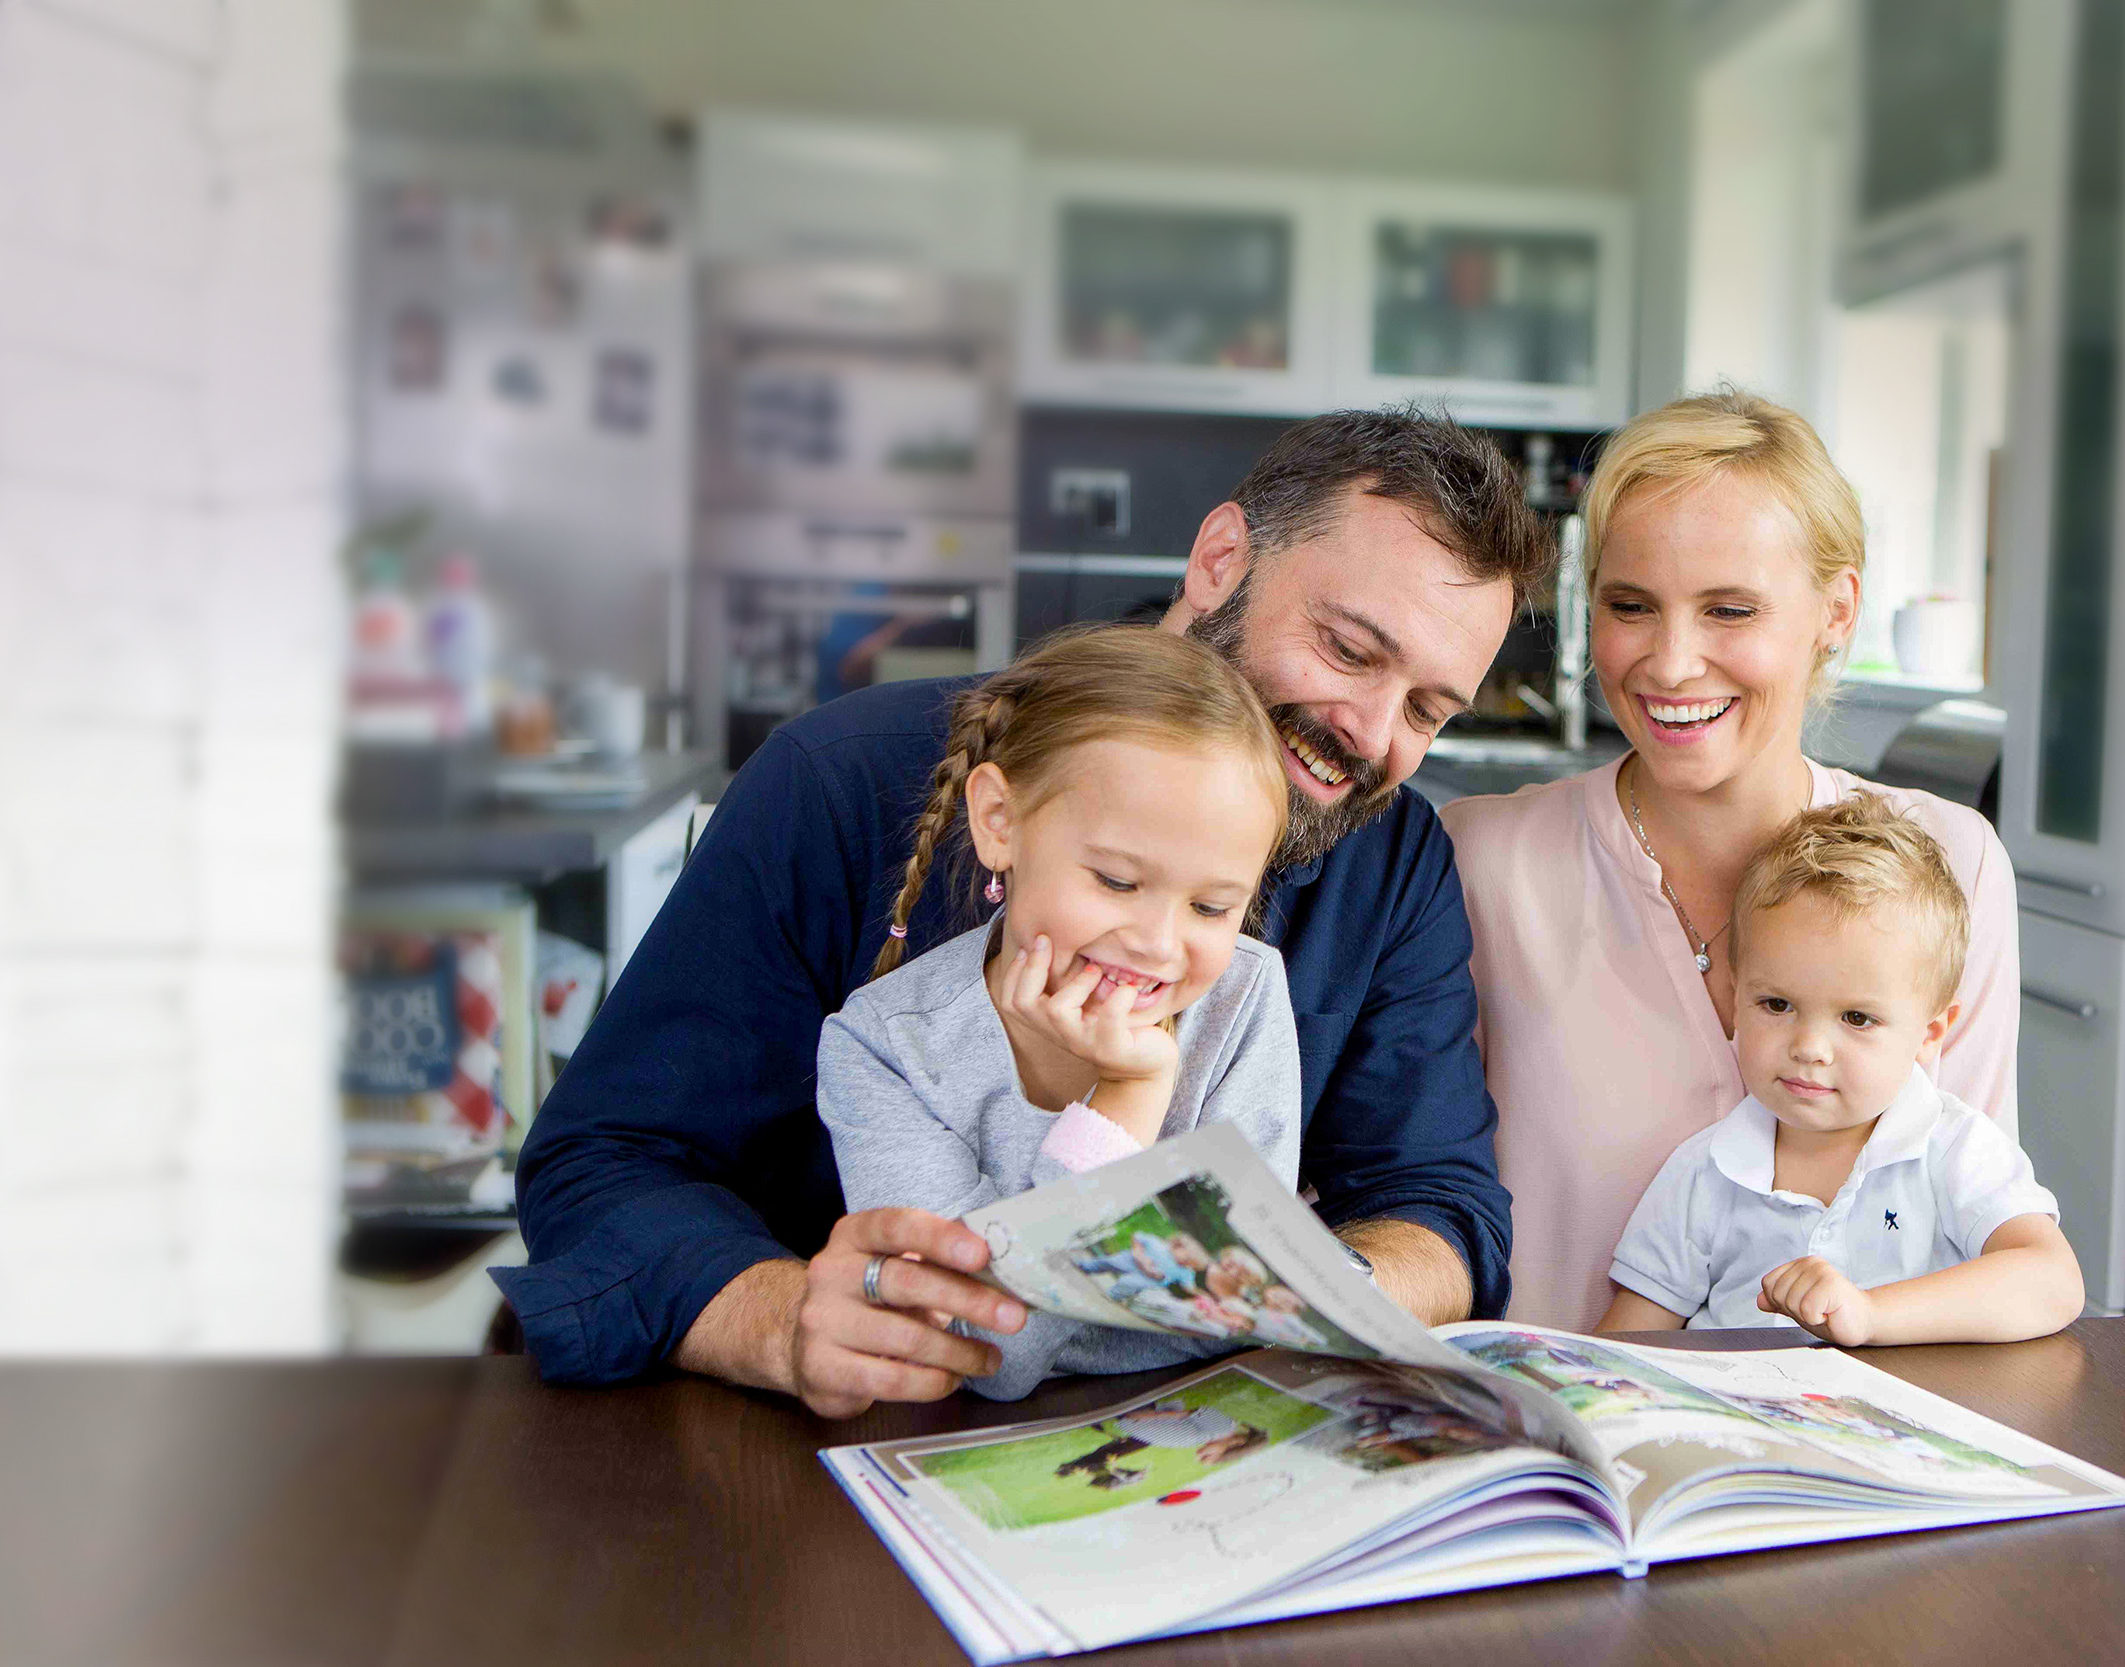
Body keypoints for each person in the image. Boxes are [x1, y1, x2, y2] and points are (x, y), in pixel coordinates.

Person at [498, 406, 1551, 1414]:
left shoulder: (1394, 857)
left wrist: (1276, 1291)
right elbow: (603, 1160)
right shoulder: (841, 780)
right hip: (819, 1448)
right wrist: (779, 1322)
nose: (1370, 734)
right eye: (1349, 651)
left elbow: (1442, 1215)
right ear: (1220, 560)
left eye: (1425, 708)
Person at [1439, 390, 2023, 1333]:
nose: (1670, 665)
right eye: (1631, 607)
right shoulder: (1481, 862)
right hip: (1552, 1457)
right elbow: (1413, 1202)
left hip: (1848, 1456)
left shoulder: (1953, 864)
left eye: (1729, 609)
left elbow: (1978, 1237)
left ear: (1837, 609)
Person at [818, 627, 1299, 1400]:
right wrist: (1125, 1098)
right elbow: (988, 1352)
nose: (1156, 944)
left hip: (1203, 1423)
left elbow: (1247, 1313)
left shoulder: (1243, 997)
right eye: (1114, 880)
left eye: (1212, 905)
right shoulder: (884, 1048)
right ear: (1000, 822)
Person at [1600, 798, 2081, 1343]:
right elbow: (1622, 1347)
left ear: (1930, 1033)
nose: (1809, 1048)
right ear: (1736, 996)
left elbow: (2053, 1281)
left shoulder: (1953, 1149)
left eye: (1857, 1017)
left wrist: (1870, 1315)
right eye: (1777, 1005)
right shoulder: (1705, 1171)